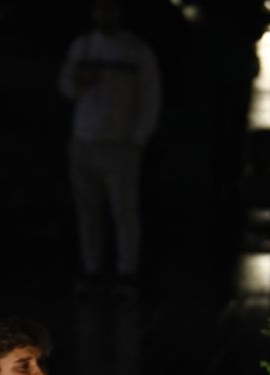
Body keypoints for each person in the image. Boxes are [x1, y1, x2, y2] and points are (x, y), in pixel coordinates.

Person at [57, 0, 161, 296]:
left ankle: (127, 272)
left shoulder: (136, 51)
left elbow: (150, 95)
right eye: (99, 9)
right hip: (84, 140)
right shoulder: (83, 46)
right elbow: (65, 86)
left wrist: (138, 138)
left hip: (120, 143)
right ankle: (92, 270)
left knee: (123, 211)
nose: (104, 15)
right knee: (88, 211)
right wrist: (78, 80)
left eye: (110, 9)